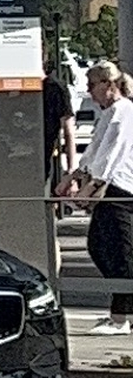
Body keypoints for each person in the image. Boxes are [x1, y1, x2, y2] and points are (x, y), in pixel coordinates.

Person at [73, 53, 133, 326]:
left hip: (121, 190)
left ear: (109, 84)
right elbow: (95, 150)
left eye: (92, 85)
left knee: (120, 253)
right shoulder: (108, 114)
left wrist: (93, 186)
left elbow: (113, 154)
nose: (89, 91)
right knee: (98, 246)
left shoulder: (124, 113)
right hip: (110, 189)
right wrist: (76, 174)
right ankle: (122, 312)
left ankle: (122, 317)